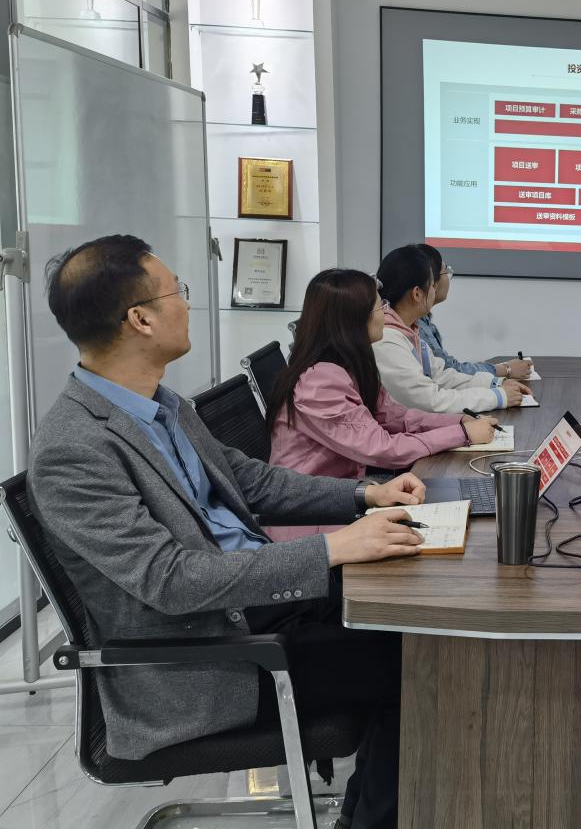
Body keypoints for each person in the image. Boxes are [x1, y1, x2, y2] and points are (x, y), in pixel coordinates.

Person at [28, 235, 428, 829]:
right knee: (420, 668)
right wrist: (332, 548)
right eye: (177, 292)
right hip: (209, 660)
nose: (188, 303)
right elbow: (171, 581)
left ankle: (365, 812)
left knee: (417, 621)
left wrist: (363, 495)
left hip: (257, 605)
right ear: (140, 319)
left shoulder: (161, 404)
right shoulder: (74, 449)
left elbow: (249, 481)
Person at [267, 268, 497, 540]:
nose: (386, 314)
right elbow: (382, 449)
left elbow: (395, 416)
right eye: (380, 306)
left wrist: (458, 421)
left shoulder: (348, 365)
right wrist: (462, 434)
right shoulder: (319, 383)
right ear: (354, 319)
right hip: (310, 521)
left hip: (346, 500)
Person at [373, 245, 533, 414]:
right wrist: (497, 397)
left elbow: (442, 376)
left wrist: (495, 384)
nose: (434, 290)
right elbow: (430, 401)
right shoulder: (387, 340)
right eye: (432, 285)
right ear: (417, 293)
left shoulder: (407, 331)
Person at [416, 243, 534, 381]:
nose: (448, 277)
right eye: (445, 271)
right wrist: (507, 369)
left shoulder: (423, 321)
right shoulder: (418, 327)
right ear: (430, 282)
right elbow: (449, 371)